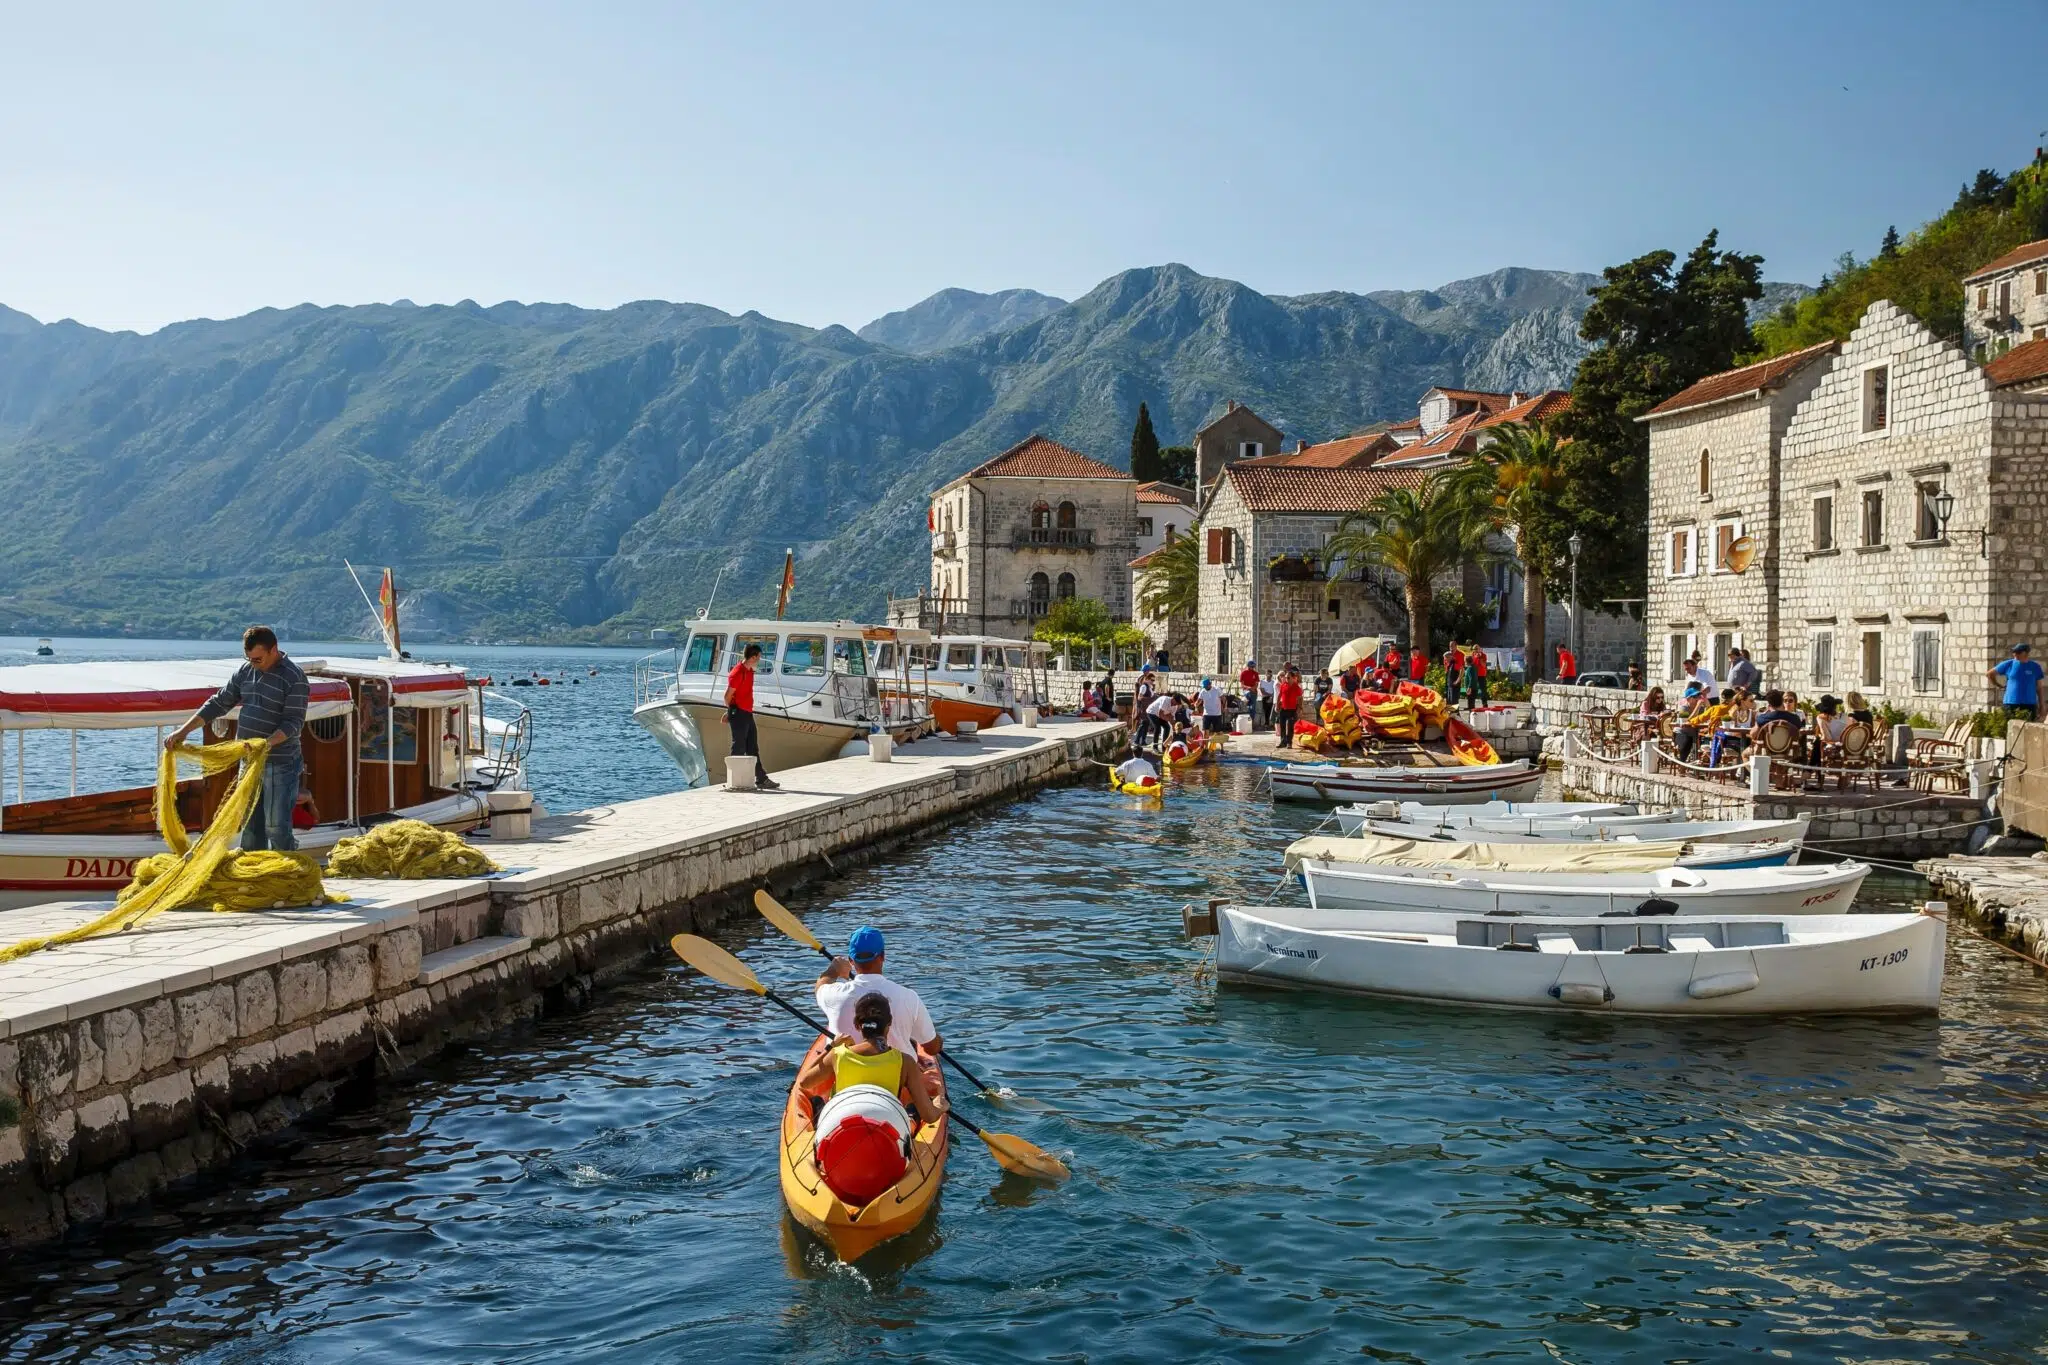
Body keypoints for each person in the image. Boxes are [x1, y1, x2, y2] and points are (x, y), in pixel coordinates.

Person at [163, 626, 310, 853]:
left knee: (276, 827)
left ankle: (288, 875)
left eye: (258, 659)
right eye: (249, 658)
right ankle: (252, 876)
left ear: (274, 650)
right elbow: (218, 703)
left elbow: (293, 723)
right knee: (251, 825)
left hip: (280, 762)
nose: (253, 663)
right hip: (249, 760)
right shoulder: (245, 671)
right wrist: (182, 732)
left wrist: (265, 744)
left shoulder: (294, 677)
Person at [794, 991, 945, 1205]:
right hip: (886, 1147)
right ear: (889, 1024)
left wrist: (831, 1047)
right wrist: (940, 1105)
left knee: (817, 1102)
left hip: (838, 1141)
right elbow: (930, 1117)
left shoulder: (839, 1055)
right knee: (914, 1109)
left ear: (857, 1025)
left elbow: (804, 1083)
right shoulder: (904, 1062)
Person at [816, 927, 941, 1056]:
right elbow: (931, 1048)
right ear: (882, 956)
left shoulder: (832, 995)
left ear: (851, 961)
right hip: (899, 1072)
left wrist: (833, 969)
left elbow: (820, 986)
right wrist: (937, 1040)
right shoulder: (909, 997)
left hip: (847, 1071)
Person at [722, 641, 780, 790]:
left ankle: (761, 779)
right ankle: (735, 781)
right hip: (740, 713)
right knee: (739, 746)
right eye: (759, 656)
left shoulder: (749, 671)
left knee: (753, 747)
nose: (760, 659)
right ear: (753, 657)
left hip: (747, 713)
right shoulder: (738, 673)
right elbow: (728, 696)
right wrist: (731, 712)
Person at [1990, 642, 2045, 722]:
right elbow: (1990, 674)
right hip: (2011, 703)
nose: (2015, 654)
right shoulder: (2009, 664)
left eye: (2018, 652)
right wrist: (1998, 685)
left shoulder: (2035, 666)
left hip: (2029, 704)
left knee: (2028, 730)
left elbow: (2039, 688)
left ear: (2026, 653)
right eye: (2014, 652)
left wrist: (2042, 705)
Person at [1275, 665, 1304, 749]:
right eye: (1286, 677)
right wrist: (1277, 705)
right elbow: (1279, 695)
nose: (1286, 679)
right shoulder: (1283, 685)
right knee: (1282, 726)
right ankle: (1283, 742)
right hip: (1283, 709)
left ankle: (1289, 743)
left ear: (1293, 678)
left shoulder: (1296, 687)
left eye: (1288, 678)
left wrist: (1300, 708)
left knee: (1290, 726)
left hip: (1292, 709)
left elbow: (1300, 698)